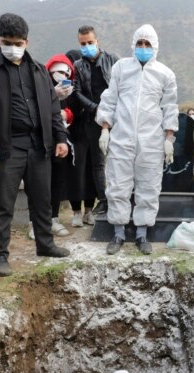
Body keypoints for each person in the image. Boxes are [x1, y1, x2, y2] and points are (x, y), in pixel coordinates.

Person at [0, 13, 70, 277]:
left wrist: (60, 138)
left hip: (39, 144)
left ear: (26, 42)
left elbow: (53, 108)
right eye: (7, 42)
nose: (13, 47)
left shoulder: (39, 70)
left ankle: (45, 244)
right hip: (5, 147)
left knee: (42, 198)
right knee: (2, 202)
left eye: (18, 42)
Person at [97, 24, 178, 255]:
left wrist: (168, 138)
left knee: (149, 186)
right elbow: (110, 100)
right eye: (140, 43)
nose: (143, 48)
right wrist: (105, 129)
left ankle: (142, 234)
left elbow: (169, 107)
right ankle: (119, 233)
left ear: (155, 47)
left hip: (151, 140)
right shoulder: (121, 68)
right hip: (122, 138)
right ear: (134, 44)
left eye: (148, 44)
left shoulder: (165, 74)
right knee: (118, 185)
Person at [70, 25, 119, 225]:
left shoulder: (113, 60)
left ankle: (122, 199)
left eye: (90, 42)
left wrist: (112, 110)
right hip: (92, 119)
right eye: (83, 44)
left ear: (97, 41)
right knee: (98, 163)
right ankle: (104, 200)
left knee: (119, 158)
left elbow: (121, 85)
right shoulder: (78, 66)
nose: (87, 46)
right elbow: (76, 91)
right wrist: (95, 109)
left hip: (117, 117)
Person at [43, 53, 77, 238]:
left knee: (57, 180)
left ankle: (54, 218)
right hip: (42, 140)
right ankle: (37, 221)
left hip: (62, 139)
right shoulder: (41, 87)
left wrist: (67, 114)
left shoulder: (68, 91)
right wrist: (51, 97)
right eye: (58, 72)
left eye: (66, 73)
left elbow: (74, 111)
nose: (62, 76)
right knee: (40, 182)